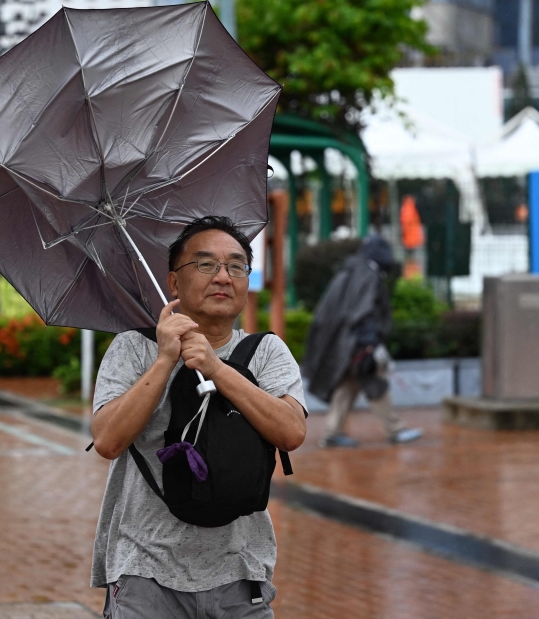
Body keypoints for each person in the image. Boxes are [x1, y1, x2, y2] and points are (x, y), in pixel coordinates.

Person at [90, 215, 307, 618]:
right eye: (205, 264)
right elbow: (107, 440)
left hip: (240, 572)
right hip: (144, 573)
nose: (223, 276)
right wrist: (164, 359)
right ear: (173, 282)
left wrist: (217, 368)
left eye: (236, 266)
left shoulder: (267, 352)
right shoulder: (133, 349)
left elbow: (291, 432)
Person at [302, 235, 422, 448]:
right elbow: (364, 311)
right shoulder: (368, 275)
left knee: (348, 385)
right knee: (374, 382)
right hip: (357, 344)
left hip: (346, 343)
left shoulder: (350, 272)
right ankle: (395, 429)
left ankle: (331, 432)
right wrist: (369, 343)